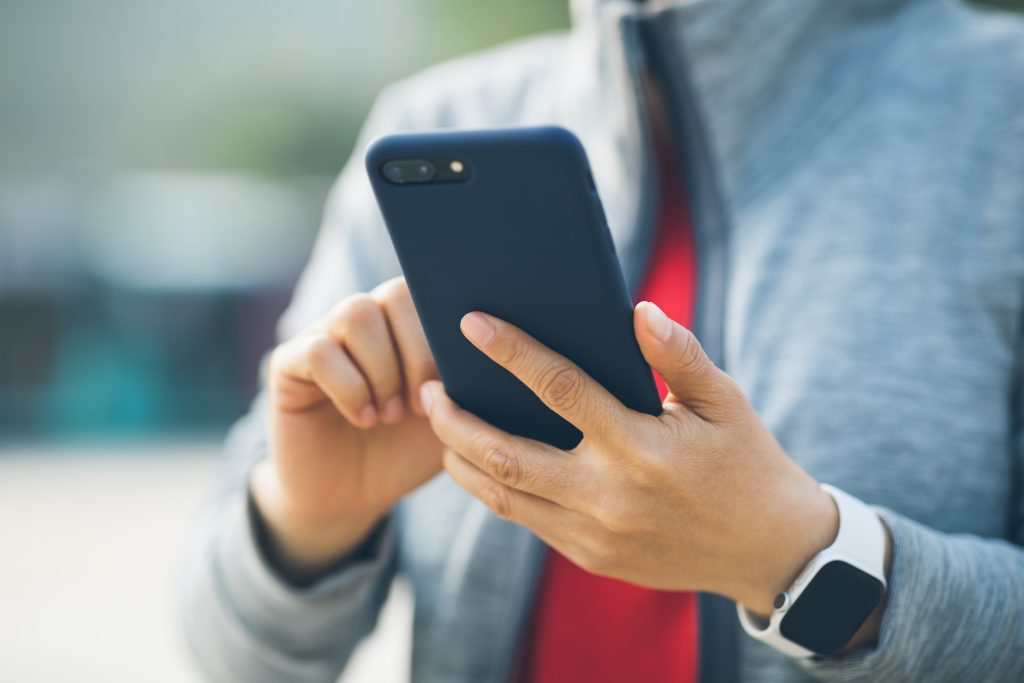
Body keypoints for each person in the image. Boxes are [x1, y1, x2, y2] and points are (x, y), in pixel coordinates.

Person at [180, 1, 1024, 681]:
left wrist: (802, 560)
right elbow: (228, 654)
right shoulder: (436, 123)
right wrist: (306, 521)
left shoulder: (1001, 110)